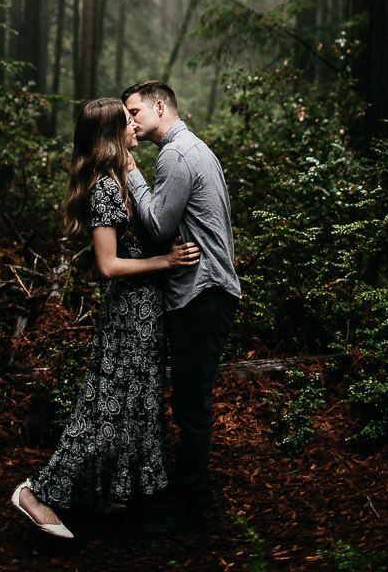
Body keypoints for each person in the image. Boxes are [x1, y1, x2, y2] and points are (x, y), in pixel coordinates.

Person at [11, 96, 201, 540]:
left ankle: (114, 497)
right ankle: (35, 493)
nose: (135, 125)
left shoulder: (119, 178)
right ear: (110, 134)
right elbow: (108, 266)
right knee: (104, 409)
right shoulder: (106, 187)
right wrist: (167, 263)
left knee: (136, 405)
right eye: (127, 121)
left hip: (143, 313)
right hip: (128, 314)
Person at [122, 79, 241, 536]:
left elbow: (156, 227)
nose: (129, 121)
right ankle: (189, 495)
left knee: (191, 404)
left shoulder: (174, 155)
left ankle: (191, 507)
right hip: (208, 292)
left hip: (200, 293)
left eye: (134, 112)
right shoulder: (194, 147)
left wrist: (131, 171)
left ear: (158, 106)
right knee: (192, 400)